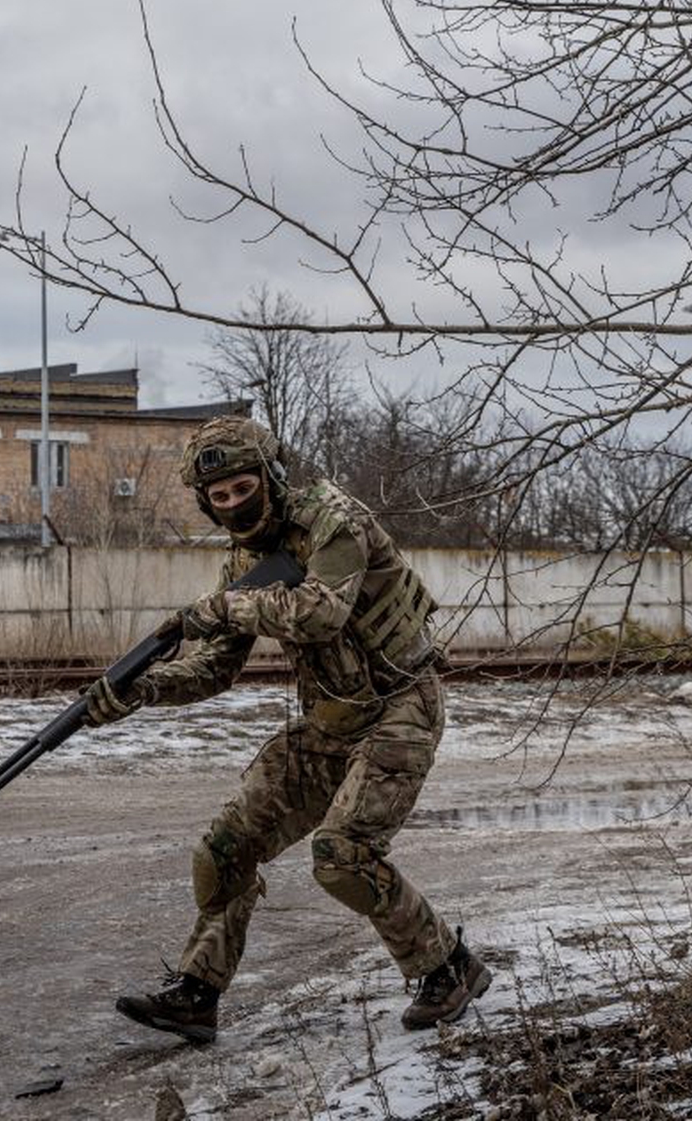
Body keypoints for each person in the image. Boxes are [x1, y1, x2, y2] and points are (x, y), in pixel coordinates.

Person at [81, 416, 488, 1045]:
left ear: (271, 475)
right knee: (224, 849)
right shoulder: (244, 561)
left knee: (342, 856)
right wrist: (143, 688)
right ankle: (197, 991)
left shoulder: (332, 520)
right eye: (219, 497)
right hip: (329, 720)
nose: (235, 504)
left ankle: (449, 968)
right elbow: (217, 664)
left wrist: (217, 609)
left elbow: (321, 613)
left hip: (400, 705)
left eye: (243, 487)